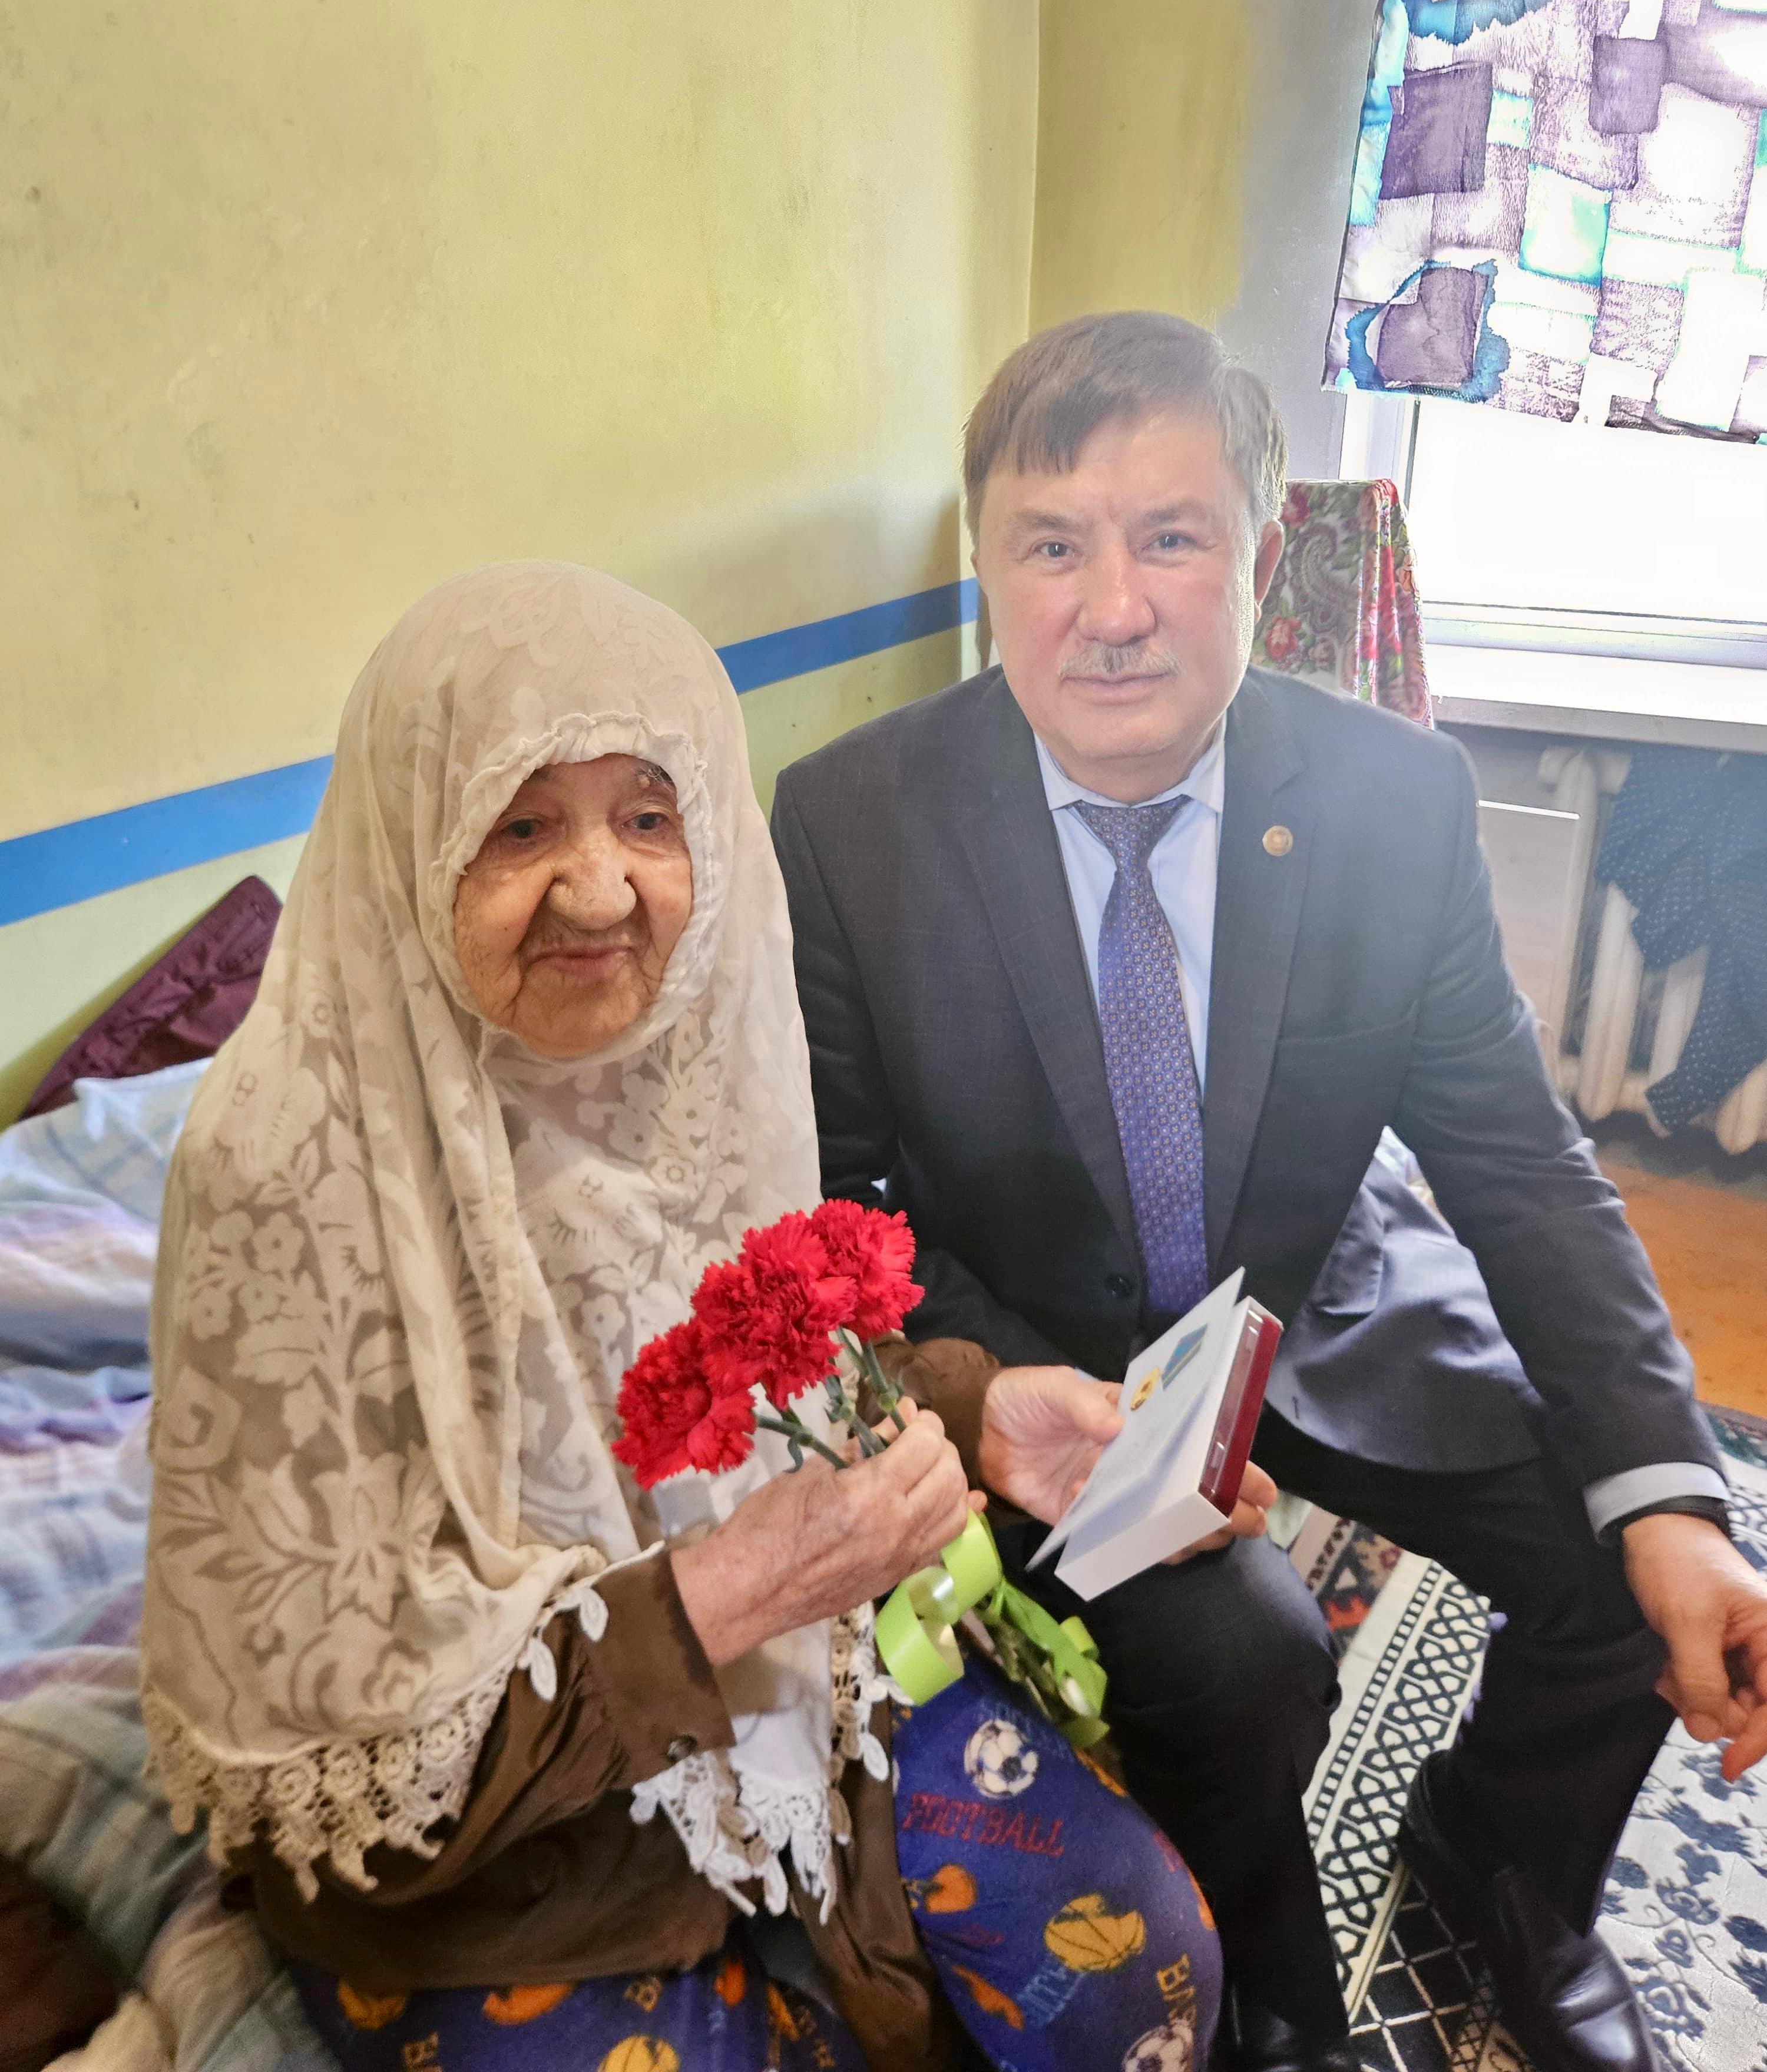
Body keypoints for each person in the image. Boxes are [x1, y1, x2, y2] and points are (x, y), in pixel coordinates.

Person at [770, 314, 1767, 2072]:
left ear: (1259, 547)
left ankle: (1502, 1860)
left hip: (1319, 1290)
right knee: (1245, 1658)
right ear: (987, 562)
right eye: (1052, 546)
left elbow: (1520, 1165)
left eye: (1171, 537)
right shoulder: (854, 822)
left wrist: (1675, 1493)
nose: (1114, 607)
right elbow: (842, 1200)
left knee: (1626, 1543)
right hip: (1052, 1363)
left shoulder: (1392, 800)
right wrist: (991, 1387)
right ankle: (1263, 1965)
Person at [140, 560, 1223, 2072]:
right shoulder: (286, 1166)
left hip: (792, 1669)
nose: (600, 891)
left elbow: (748, 1356)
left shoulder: (695, 1041)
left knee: (1139, 1973)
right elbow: (339, 1750)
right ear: (413, 836)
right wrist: (719, 1595)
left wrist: (977, 1410)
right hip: (490, 1867)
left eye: (649, 816)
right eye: (522, 825)